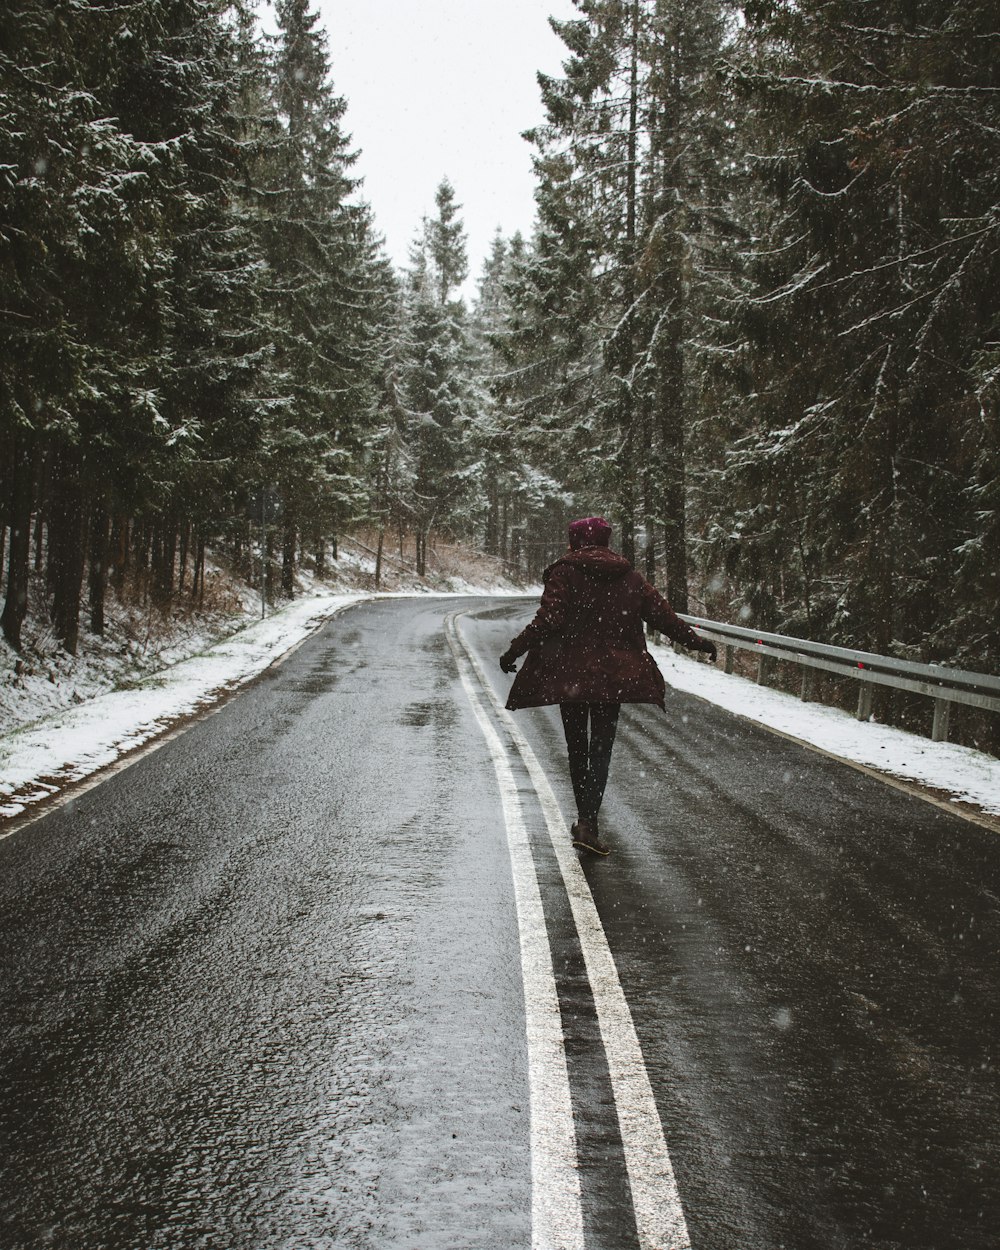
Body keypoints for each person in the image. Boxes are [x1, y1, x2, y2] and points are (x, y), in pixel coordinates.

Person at [499, 516, 716, 856]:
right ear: (606, 541)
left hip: (571, 676)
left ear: (574, 542)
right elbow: (663, 616)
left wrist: (515, 649)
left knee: (577, 747)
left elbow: (549, 619)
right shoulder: (628, 577)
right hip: (612, 677)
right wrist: (697, 643)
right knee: (601, 750)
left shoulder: (565, 572)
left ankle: (584, 821)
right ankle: (589, 823)